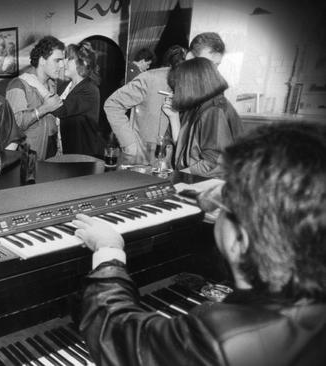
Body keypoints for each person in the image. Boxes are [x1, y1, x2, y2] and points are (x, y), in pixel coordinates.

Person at [74, 122, 326, 366]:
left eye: (226, 208)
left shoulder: (222, 340)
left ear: (240, 239)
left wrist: (108, 252)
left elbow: (118, 337)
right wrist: (224, 192)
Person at [105, 35, 225, 164]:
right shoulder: (152, 79)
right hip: (144, 159)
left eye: (216, 65)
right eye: (206, 64)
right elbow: (113, 104)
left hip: (181, 164)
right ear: (190, 57)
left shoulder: (208, 92)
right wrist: (129, 144)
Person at [163, 57, 243, 177]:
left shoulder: (214, 111)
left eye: (177, 88)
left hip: (210, 183)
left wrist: (179, 176)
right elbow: (185, 150)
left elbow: (214, 162)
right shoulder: (200, 106)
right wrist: (174, 118)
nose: (175, 93)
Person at [6, 36, 64, 160]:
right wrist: (44, 109)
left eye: (62, 61)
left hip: (51, 150)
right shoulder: (18, 84)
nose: (62, 65)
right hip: (29, 156)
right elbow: (14, 124)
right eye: (57, 60)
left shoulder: (52, 83)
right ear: (42, 61)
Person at [51, 42, 104, 156]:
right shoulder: (65, 86)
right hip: (61, 152)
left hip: (81, 156)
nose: (64, 62)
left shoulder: (90, 89)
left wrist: (35, 84)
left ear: (83, 63)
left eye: (69, 58)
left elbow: (61, 109)